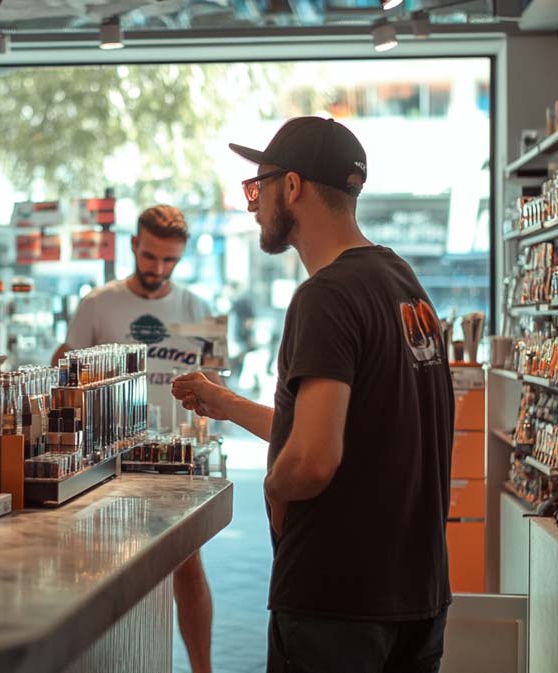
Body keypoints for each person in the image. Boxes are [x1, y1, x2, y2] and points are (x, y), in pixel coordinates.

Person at [172, 117, 455, 673]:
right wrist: (225, 404)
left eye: (259, 186)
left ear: (293, 187)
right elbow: (345, 426)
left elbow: (313, 459)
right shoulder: (401, 283)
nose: (253, 204)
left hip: (338, 601)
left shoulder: (324, 296)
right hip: (415, 596)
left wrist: (276, 490)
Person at [52, 204, 216, 673]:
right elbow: (60, 373)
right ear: (133, 245)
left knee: (188, 566)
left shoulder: (197, 309)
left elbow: (217, 383)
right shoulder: (97, 305)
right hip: (110, 461)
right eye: (150, 257)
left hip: (177, 457)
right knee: (103, 565)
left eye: (169, 261)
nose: (158, 269)